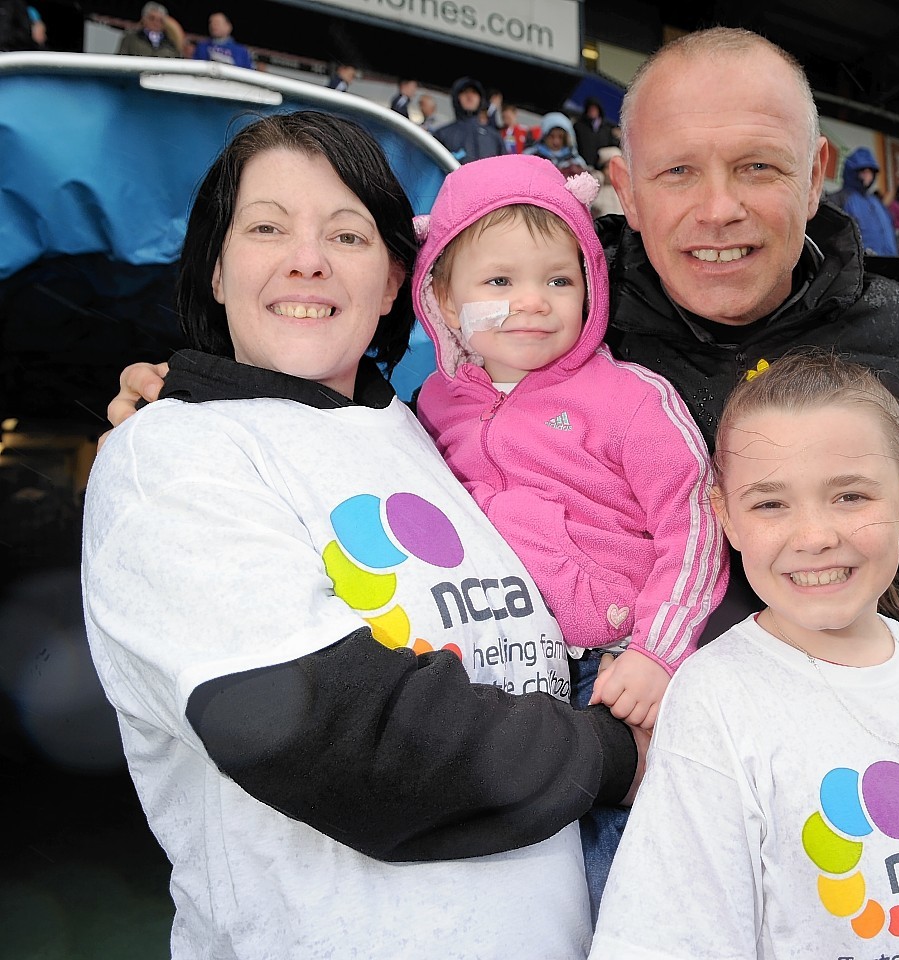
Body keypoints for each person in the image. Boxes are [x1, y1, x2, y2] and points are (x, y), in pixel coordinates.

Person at [109, 27, 899, 736]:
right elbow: (348, 366)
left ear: (815, 175)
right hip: (610, 746)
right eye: (678, 172)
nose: (719, 209)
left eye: (757, 168)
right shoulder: (551, 303)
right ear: (624, 187)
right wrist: (200, 389)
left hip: (841, 755)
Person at [84, 111, 643, 960]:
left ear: (392, 282)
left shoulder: (427, 437)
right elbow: (344, 741)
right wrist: (613, 752)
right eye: (267, 227)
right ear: (217, 272)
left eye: (345, 234)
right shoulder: (169, 453)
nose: (307, 258)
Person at [590, 353, 899, 959]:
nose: (815, 535)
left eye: (849, 496)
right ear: (726, 519)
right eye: (770, 504)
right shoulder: (715, 700)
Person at [411, 153, 727, 913]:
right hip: (502, 675)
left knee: (618, 882)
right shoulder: (429, 406)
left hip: (617, 673)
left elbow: (694, 526)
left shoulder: (627, 397)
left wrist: (655, 651)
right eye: (499, 282)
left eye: (559, 278)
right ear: (444, 302)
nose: (533, 303)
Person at [828, 147, 897, 256]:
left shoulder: (876, 202)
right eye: (863, 172)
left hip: (887, 264)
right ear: (852, 172)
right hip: (857, 266)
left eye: (870, 172)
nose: (867, 176)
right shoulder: (840, 198)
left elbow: (890, 231)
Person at [434, 76, 504, 164]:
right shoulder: (442, 134)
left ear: (480, 99)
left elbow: (504, 171)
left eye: (474, 92)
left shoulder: (494, 137)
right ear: (457, 98)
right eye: (465, 92)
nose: (470, 96)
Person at [523, 111, 589, 175]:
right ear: (544, 136)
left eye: (560, 137)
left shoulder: (576, 161)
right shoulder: (531, 156)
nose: (556, 141)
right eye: (552, 136)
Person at [115, 1, 182, 58]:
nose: (156, 23)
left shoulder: (171, 44)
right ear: (144, 19)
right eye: (152, 18)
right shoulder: (131, 39)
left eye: (160, 20)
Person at [573, 96, 617, 171]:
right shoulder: (579, 127)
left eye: (594, 109)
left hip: (599, 168)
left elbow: (612, 145)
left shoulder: (606, 129)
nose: (592, 111)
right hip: (581, 165)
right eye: (590, 109)